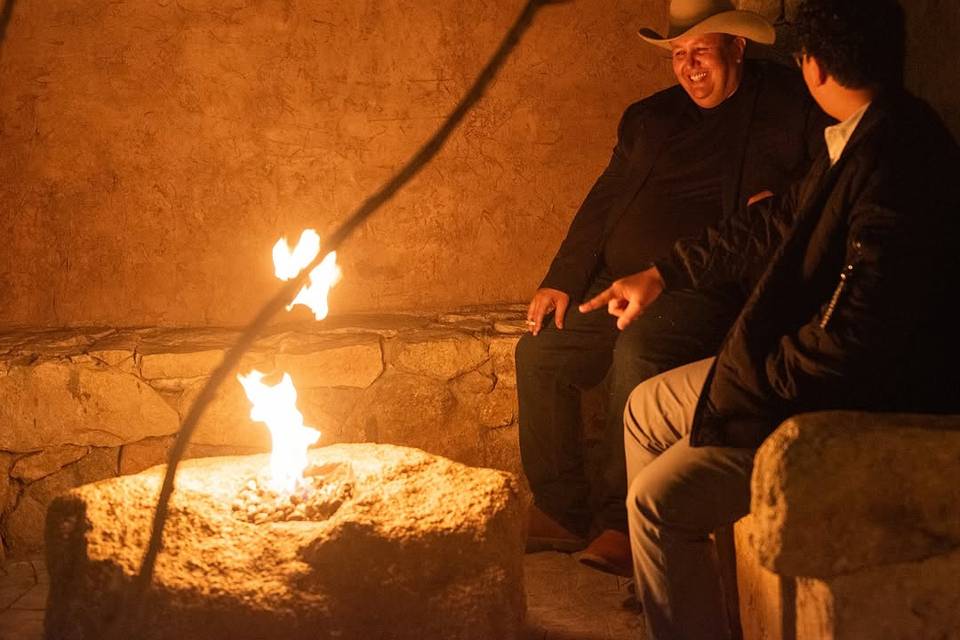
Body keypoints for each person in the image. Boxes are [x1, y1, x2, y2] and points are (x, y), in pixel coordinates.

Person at [579, 0, 960, 636]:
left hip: (851, 400)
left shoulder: (895, 165)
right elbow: (773, 223)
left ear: (813, 67)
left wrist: (747, 383)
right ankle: (671, 591)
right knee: (645, 407)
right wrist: (663, 274)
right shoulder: (861, 135)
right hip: (801, 372)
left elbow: (852, 342)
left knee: (654, 502)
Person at [515, 0, 826, 574]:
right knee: (540, 350)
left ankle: (619, 522)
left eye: (701, 50)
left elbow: (826, 185)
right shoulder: (650, 118)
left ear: (737, 46)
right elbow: (604, 201)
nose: (689, 67)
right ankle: (561, 509)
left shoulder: (788, 104)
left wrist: (780, 201)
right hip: (617, 284)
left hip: (706, 287)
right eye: (678, 54)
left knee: (640, 350)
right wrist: (561, 280)